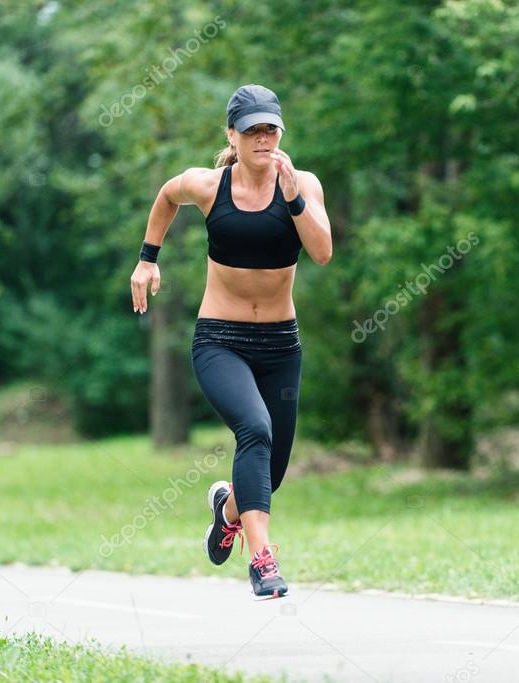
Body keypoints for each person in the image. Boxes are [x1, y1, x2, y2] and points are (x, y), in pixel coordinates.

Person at [130, 84, 332, 600]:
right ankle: (263, 561)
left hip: (281, 345)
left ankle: (227, 511)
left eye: (271, 129)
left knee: (274, 469)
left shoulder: (303, 183)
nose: (263, 139)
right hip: (221, 339)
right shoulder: (208, 185)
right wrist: (148, 259)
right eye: (253, 130)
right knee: (255, 431)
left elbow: (323, 252)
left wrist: (293, 198)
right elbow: (165, 196)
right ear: (232, 136)